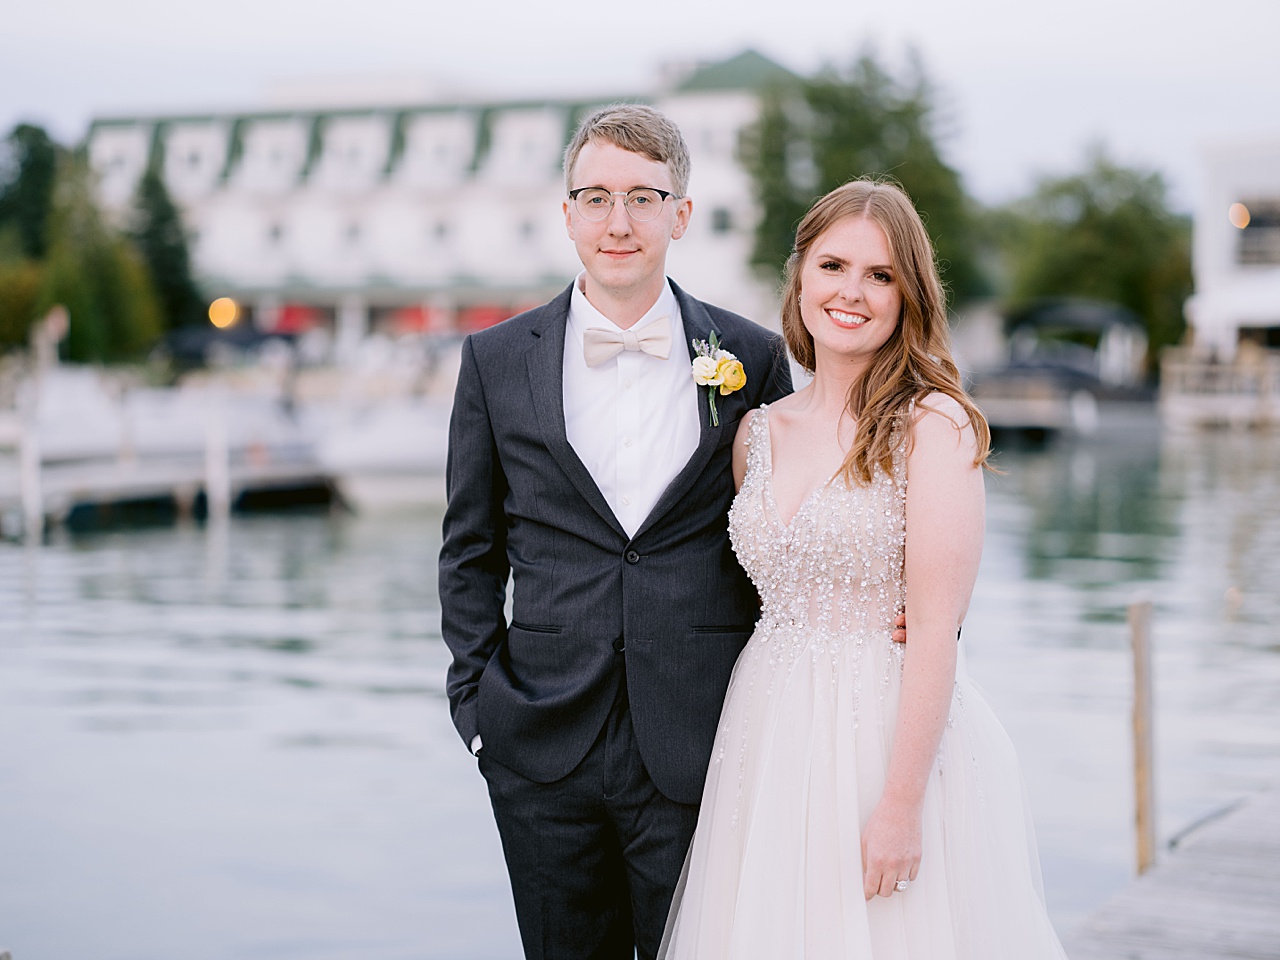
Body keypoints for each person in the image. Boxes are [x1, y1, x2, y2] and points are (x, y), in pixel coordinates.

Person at [659, 180, 1070, 959]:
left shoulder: (933, 425)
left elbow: (939, 628)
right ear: (801, 278)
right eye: (833, 265)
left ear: (908, 294)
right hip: (770, 729)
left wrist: (901, 804)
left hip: (886, 735)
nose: (852, 291)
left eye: (880, 275)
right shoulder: (755, 434)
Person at [438, 104, 793, 960]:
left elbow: (788, 535)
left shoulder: (755, 357)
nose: (619, 221)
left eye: (643, 196)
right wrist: (477, 709)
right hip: (538, 744)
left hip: (700, 741)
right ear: (566, 215)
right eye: (595, 197)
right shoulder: (495, 360)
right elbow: (469, 551)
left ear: (682, 213)